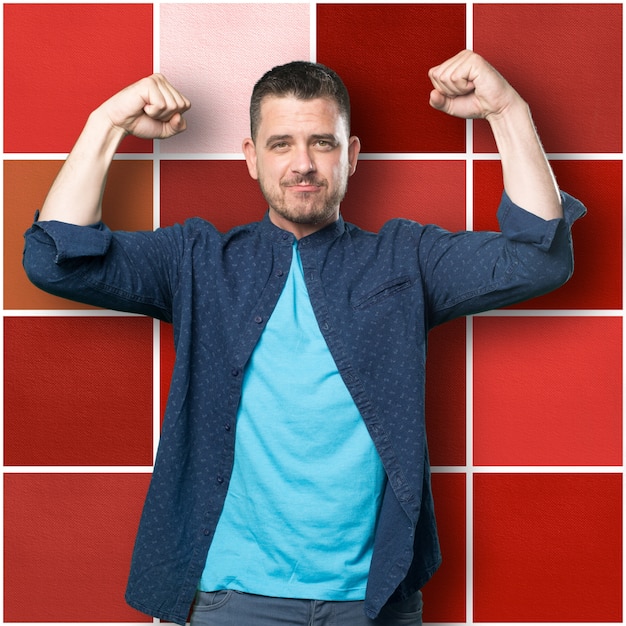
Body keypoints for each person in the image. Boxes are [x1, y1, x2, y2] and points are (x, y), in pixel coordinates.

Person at [23, 50, 585, 626]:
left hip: (374, 603)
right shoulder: (198, 260)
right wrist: (106, 123)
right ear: (251, 158)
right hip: (229, 600)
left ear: (352, 155)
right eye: (281, 143)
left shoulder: (405, 257)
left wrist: (507, 110)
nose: (303, 164)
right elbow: (55, 259)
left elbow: (536, 260)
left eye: (323, 142)